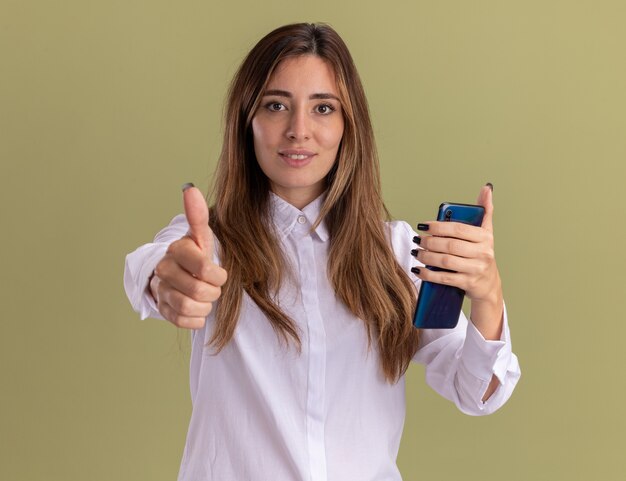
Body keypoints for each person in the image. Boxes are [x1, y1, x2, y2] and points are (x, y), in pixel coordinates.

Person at [124, 22, 521, 481]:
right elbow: (151, 268)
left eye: (323, 108)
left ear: (347, 126)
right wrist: (166, 280)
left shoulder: (396, 254)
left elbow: (476, 391)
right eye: (276, 105)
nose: (298, 130)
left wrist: (488, 294)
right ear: (246, 121)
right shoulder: (210, 242)